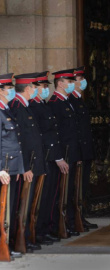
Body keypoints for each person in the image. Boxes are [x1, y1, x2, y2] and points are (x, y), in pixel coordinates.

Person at [29, 71, 69, 243]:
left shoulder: (43, 105)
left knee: (50, 195)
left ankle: (45, 228)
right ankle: (37, 231)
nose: (46, 89)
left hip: (51, 156)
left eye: (46, 86)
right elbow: (42, 135)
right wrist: (56, 156)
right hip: (44, 156)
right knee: (41, 196)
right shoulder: (33, 107)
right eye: (43, 86)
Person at [10, 73, 46, 253]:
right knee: (20, 206)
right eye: (33, 86)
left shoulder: (25, 106)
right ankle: (18, 239)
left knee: (28, 205)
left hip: (31, 164)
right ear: (27, 88)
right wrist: (24, 167)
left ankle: (24, 238)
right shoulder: (17, 107)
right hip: (25, 166)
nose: (36, 89)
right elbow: (19, 141)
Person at [47, 69, 81, 236]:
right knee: (60, 193)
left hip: (71, 153)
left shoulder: (67, 102)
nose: (72, 84)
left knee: (68, 192)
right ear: (59, 83)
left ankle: (66, 223)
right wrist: (59, 156)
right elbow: (55, 133)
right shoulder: (55, 103)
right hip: (62, 154)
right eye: (69, 82)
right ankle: (56, 225)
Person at [69, 66, 97, 229]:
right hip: (77, 152)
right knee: (75, 188)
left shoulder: (78, 100)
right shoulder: (71, 101)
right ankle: (73, 219)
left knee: (82, 187)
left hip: (84, 151)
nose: (83, 81)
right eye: (80, 79)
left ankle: (80, 216)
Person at [0, 73, 24, 259]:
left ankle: (6, 244)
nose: (11, 92)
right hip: (3, 169)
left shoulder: (6, 110)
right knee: (2, 210)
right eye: (9, 89)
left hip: (11, 167)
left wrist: (18, 168)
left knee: (9, 210)